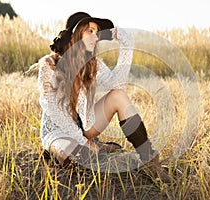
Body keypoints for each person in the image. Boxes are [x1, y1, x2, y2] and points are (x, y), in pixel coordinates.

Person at [37, 12, 171, 183]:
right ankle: (87, 148)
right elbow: (51, 108)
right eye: (90, 31)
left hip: (85, 126)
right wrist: (81, 141)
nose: (96, 37)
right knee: (77, 158)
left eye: (97, 32)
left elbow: (116, 84)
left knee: (119, 96)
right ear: (76, 35)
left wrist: (126, 45)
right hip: (58, 131)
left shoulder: (93, 63)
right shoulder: (49, 64)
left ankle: (149, 160)